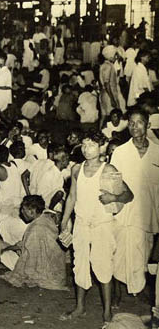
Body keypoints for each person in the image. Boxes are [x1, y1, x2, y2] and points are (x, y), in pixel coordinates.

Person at [60, 131, 134, 323]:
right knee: (80, 265)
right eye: (84, 145)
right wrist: (64, 221)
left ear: (101, 146)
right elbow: (72, 197)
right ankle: (80, 307)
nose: (86, 149)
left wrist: (114, 197)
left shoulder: (108, 169)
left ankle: (107, 311)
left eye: (91, 145)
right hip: (82, 223)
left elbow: (129, 195)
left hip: (102, 224)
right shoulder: (76, 169)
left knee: (103, 266)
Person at [111, 109, 159, 297]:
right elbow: (113, 184)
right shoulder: (120, 152)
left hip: (149, 215)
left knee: (143, 255)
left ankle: (139, 290)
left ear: (148, 125)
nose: (134, 126)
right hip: (125, 213)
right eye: (131, 122)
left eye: (139, 122)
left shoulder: (157, 152)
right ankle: (117, 293)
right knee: (119, 254)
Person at [0, 195, 68, 290]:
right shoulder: (46, 218)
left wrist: (7, 249)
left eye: (24, 210)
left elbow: (29, 255)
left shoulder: (35, 228)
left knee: (4, 255)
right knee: (7, 249)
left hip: (46, 273)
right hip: (58, 271)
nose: (21, 212)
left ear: (32, 211)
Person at [100, 45, 124, 117]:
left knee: (105, 116)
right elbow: (106, 84)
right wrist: (112, 99)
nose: (116, 58)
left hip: (108, 94)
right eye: (115, 56)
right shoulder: (108, 66)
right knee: (112, 117)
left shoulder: (107, 65)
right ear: (110, 56)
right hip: (109, 95)